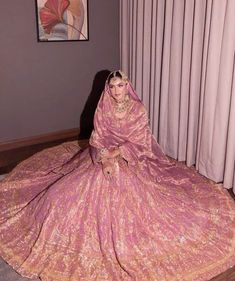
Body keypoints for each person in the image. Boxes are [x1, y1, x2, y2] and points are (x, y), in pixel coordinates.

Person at [0, 70, 235, 281]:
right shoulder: (103, 107)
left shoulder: (138, 109)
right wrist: (104, 157)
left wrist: (118, 153)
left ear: (128, 85)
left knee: (130, 192)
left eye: (120, 85)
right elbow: (97, 138)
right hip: (102, 157)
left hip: (131, 158)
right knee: (60, 196)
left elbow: (141, 141)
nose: (116, 91)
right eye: (112, 87)